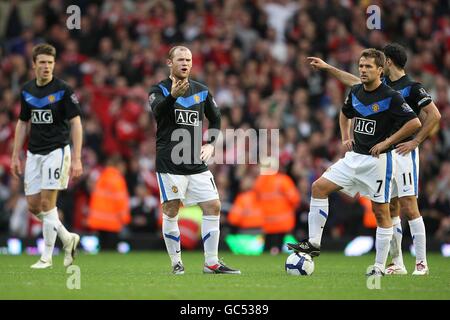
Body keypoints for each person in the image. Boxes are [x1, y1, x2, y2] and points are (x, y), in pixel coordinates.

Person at [306, 43, 441, 275]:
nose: (365, 69)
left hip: (403, 151)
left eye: (374, 63)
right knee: (390, 207)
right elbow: (353, 82)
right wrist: (328, 68)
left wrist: (415, 142)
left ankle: (421, 263)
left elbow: (434, 115)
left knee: (409, 206)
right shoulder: (381, 85)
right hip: (381, 154)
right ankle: (397, 262)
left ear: (386, 63)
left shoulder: (412, 88)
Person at [148, 45, 240, 275]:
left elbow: (216, 119)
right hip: (170, 162)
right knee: (171, 209)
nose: (185, 63)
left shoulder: (201, 91)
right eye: (180, 59)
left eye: (188, 59)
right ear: (170, 62)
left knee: (213, 205)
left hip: (196, 162)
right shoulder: (158, 89)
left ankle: (211, 262)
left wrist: (210, 144)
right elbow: (158, 112)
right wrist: (172, 97)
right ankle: (176, 262)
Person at [11, 43, 83, 269]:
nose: (46, 67)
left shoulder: (63, 90)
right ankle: (68, 238)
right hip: (34, 153)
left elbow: (76, 123)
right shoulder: (27, 91)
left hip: (57, 151)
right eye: (42, 62)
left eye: (50, 63)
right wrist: (15, 155)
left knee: (47, 203)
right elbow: (23, 123)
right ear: (34, 65)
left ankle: (47, 257)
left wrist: (78, 157)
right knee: (34, 206)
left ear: (54, 64)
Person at [87, 155, 130, 250]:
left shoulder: (102, 176)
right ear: (119, 165)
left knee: (102, 249)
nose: (125, 169)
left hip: (98, 220)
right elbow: (120, 201)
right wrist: (125, 220)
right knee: (111, 251)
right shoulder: (117, 179)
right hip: (112, 222)